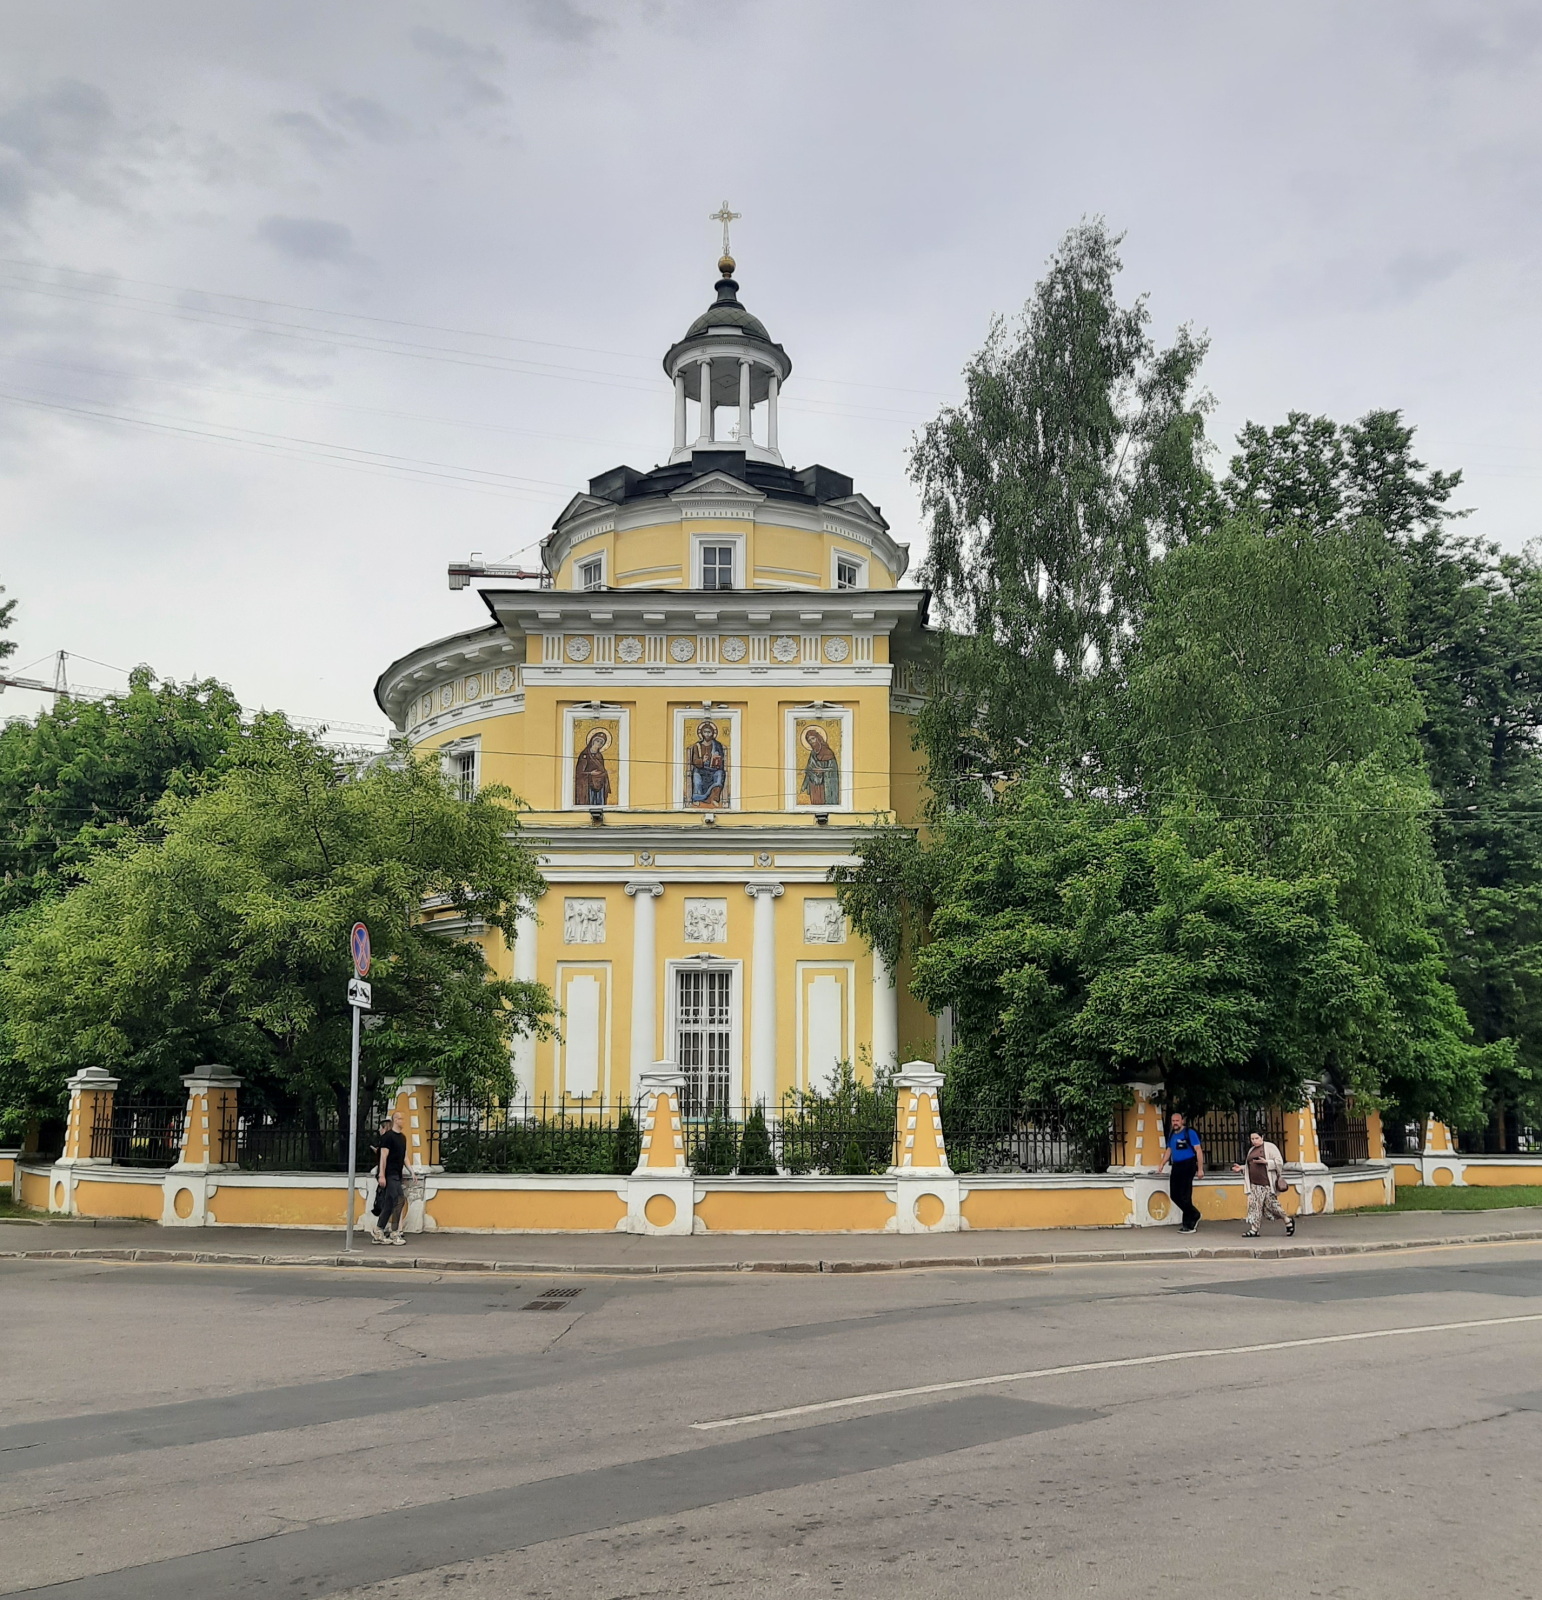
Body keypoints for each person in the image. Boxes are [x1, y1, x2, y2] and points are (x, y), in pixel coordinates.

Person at [1232, 1129, 1294, 1238]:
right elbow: (1250, 1165)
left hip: (1267, 1183)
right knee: (1254, 1205)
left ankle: (1287, 1221)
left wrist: (1266, 1162)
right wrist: (1241, 1168)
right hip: (1255, 1184)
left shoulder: (1270, 1147)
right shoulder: (1252, 1150)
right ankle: (1254, 1229)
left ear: (1262, 1137)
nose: (1254, 1141)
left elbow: (1279, 1162)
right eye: (1252, 1139)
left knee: (1272, 1205)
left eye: (1256, 1138)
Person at [1157, 1110, 1204, 1232]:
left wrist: (1200, 1169)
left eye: (1177, 1120)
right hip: (1177, 1166)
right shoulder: (1172, 1134)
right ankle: (1194, 1214)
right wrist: (1162, 1163)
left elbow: (1198, 1150)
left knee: (1185, 1195)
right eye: (1173, 1121)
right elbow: (1169, 1150)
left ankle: (1188, 1224)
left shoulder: (1189, 1133)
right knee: (1174, 1195)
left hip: (1188, 1165)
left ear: (1182, 1121)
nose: (1175, 1123)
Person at [370, 1110, 411, 1245]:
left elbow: (404, 1156)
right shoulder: (388, 1137)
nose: (402, 1121)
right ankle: (394, 1233)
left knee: (389, 1203)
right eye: (400, 1119)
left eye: (403, 1119)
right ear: (395, 1120)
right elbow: (383, 1156)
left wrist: (412, 1171)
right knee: (399, 1200)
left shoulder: (403, 1138)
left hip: (397, 1174)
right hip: (389, 1174)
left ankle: (378, 1230)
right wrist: (382, 1174)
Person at [686, 719, 727, 807]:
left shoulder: (717, 745)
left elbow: (722, 759)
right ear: (702, 733)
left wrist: (716, 759)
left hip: (713, 769)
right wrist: (702, 761)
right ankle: (697, 798)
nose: (707, 734)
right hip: (701, 769)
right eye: (705, 732)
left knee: (720, 774)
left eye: (709, 732)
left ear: (712, 733)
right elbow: (694, 760)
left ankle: (715, 798)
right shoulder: (697, 746)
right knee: (696, 776)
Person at [799, 727, 841, 807]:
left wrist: (822, 770)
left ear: (818, 738)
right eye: (809, 740)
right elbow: (810, 767)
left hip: (825, 784)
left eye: (813, 738)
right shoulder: (813, 753)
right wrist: (806, 771)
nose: (812, 742)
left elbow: (834, 769)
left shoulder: (828, 752)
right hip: (814, 785)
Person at [573, 729, 611, 807]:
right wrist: (590, 773)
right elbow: (579, 772)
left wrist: (605, 773)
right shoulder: (585, 755)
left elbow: (602, 769)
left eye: (601, 743)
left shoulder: (599, 755)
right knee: (591, 801)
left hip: (600, 784)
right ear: (592, 741)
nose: (599, 744)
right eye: (598, 741)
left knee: (599, 803)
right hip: (588, 785)